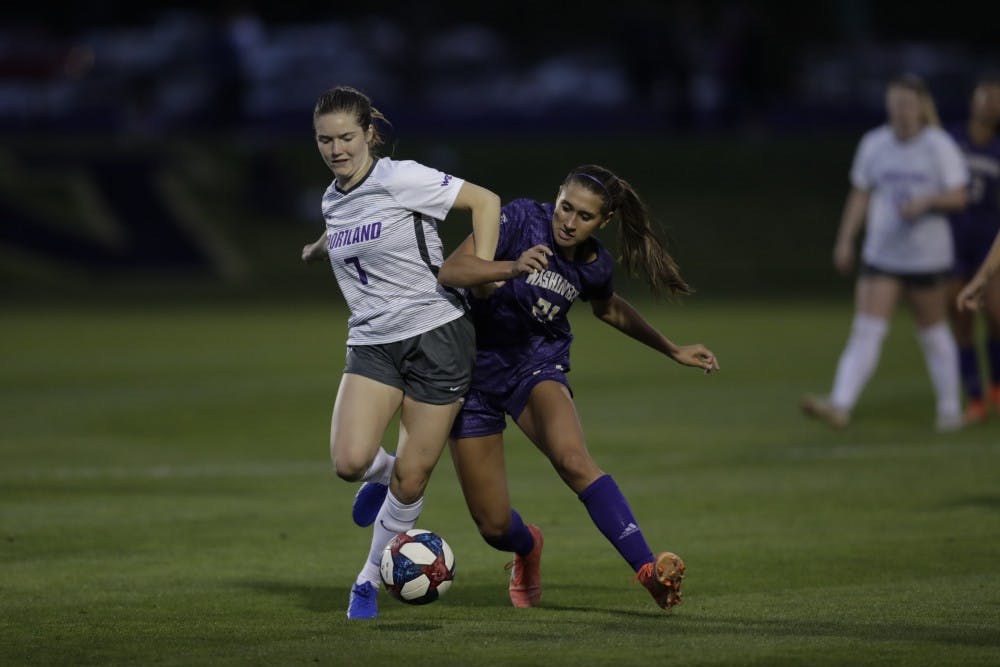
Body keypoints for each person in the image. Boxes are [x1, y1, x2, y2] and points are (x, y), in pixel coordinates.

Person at [432, 164, 719, 611]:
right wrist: (511, 267)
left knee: (572, 458)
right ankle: (527, 547)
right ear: (557, 197)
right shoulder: (521, 219)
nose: (569, 222)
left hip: (534, 366)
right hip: (471, 374)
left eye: (585, 216)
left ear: (602, 222)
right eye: (566, 207)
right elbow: (452, 270)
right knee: (492, 526)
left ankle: (647, 569)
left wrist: (672, 348)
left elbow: (608, 308)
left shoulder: (594, 265)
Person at [300, 86, 501, 620]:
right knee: (349, 462)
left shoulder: (399, 176)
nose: (337, 148)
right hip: (371, 340)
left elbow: (485, 201)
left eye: (346, 137)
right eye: (325, 140)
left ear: (368, 132)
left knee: (416, 477)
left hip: (437, 335)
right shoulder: (332, 197)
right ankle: (384, 475)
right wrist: (319, 246)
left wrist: (480, 272)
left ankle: (367, 578)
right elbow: (347, 225)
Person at [801, 73, 970, 432]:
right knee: (866, 331)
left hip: (926, 256)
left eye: (907, 104)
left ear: (921, 107)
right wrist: (846, 240)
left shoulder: (938, 145)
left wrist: (927, 202)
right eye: (894, 104)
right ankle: (841, 404)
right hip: (882, 255)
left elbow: (960, 195)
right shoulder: (874, 143)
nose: (901, 111)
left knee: (933, 332)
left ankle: (950, 409)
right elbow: (860, 193)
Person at [945, 75, 1000, 423]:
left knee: (996, 318)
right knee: (961, 321)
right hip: (952, 244)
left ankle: (996, 386)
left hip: (988, 242)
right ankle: (975, 397)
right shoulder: (950, 141)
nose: (990, 104)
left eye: (996, 99)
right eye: (986, 97)